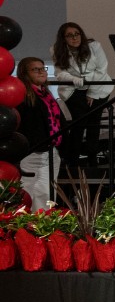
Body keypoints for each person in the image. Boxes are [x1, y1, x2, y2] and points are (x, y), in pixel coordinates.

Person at [50, 21, 110, 176]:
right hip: (73, 89)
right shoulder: (57, 50)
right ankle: (73, 160)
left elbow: (102, 69)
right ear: (63, 39)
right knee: (79, 123)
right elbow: (60, 73)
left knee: (93, 122)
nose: (74, 38)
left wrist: (91, 91)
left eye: (76, 34)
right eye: (69, 35)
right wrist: (76, 79)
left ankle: (92, 159)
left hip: (98, 87)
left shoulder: (94, 47)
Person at [15, 57, 63, 207]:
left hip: (51, 150)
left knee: (47, 193)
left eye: (43, 68)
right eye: (36, 69)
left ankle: (43, 224)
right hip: (33, 152)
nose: (41, 72)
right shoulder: (22, 95)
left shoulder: (46, 94)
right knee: (29, 190)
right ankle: (27, 225)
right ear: (25, 73)